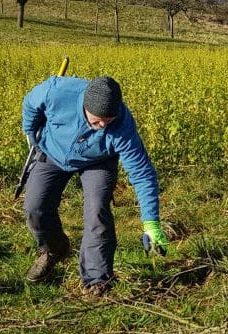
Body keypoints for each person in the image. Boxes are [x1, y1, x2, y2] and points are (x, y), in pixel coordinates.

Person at [21, 75, 168, 296]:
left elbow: (142, 173)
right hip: (52, 152)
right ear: (84, 106)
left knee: (97, 210)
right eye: (97, 120)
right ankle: (54, 249)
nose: (102, 127)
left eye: (107, 121)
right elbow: (31, 104)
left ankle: (97, 280)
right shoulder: (56, 92)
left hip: (98, 162)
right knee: (34, 207)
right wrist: (30, 132)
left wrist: (151, 222)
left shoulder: (122, 125)